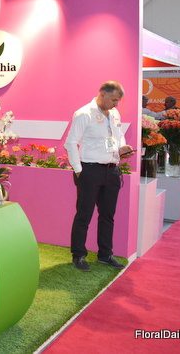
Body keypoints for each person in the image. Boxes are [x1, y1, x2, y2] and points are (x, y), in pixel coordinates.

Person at [63, 81, 134, 272]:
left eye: (118, 101)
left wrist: (122, 148)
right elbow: (71, 143)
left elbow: (118, 135)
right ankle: (78, 255)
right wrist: (79, 170)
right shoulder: (84, 113)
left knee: (108, 215)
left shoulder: (115, 113)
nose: (116, 104)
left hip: (111, 170)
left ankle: (105, 254)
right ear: (102, 94)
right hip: (90, 170)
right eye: (114, 100)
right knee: (84, 215)